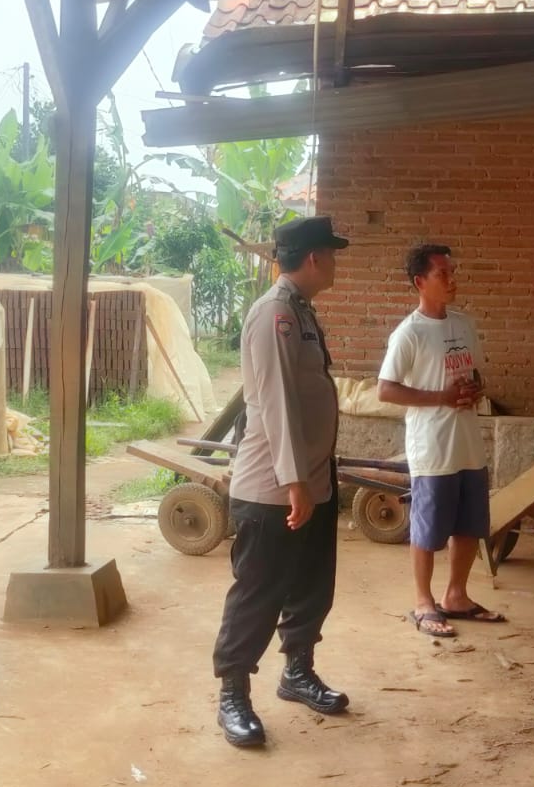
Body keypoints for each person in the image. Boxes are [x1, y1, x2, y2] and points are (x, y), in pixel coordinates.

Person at [212, 215, 352, 748]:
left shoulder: (300, 310)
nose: (335, 263)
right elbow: (275, 403)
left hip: (311, 479)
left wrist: (311, 478)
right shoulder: (275, 313)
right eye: (332, 254)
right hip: (274, 487)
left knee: (313, 583)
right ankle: (233, 695)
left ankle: (297, 672)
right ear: (314, 258)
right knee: (258, 591)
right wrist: (293, 480)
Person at [377, 244, 502, 638]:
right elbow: (386, 389)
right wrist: (442, 398)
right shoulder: (409, 333)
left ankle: (456, 596)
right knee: (428, 529)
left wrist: (474, 390)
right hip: (432, 446)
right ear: (420, 282)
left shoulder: (463, 325)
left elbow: (475, 375)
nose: (451, 280)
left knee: (469, 523)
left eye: (452, 272)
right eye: (442, 274)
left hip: (468, 442)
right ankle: (423, 601)